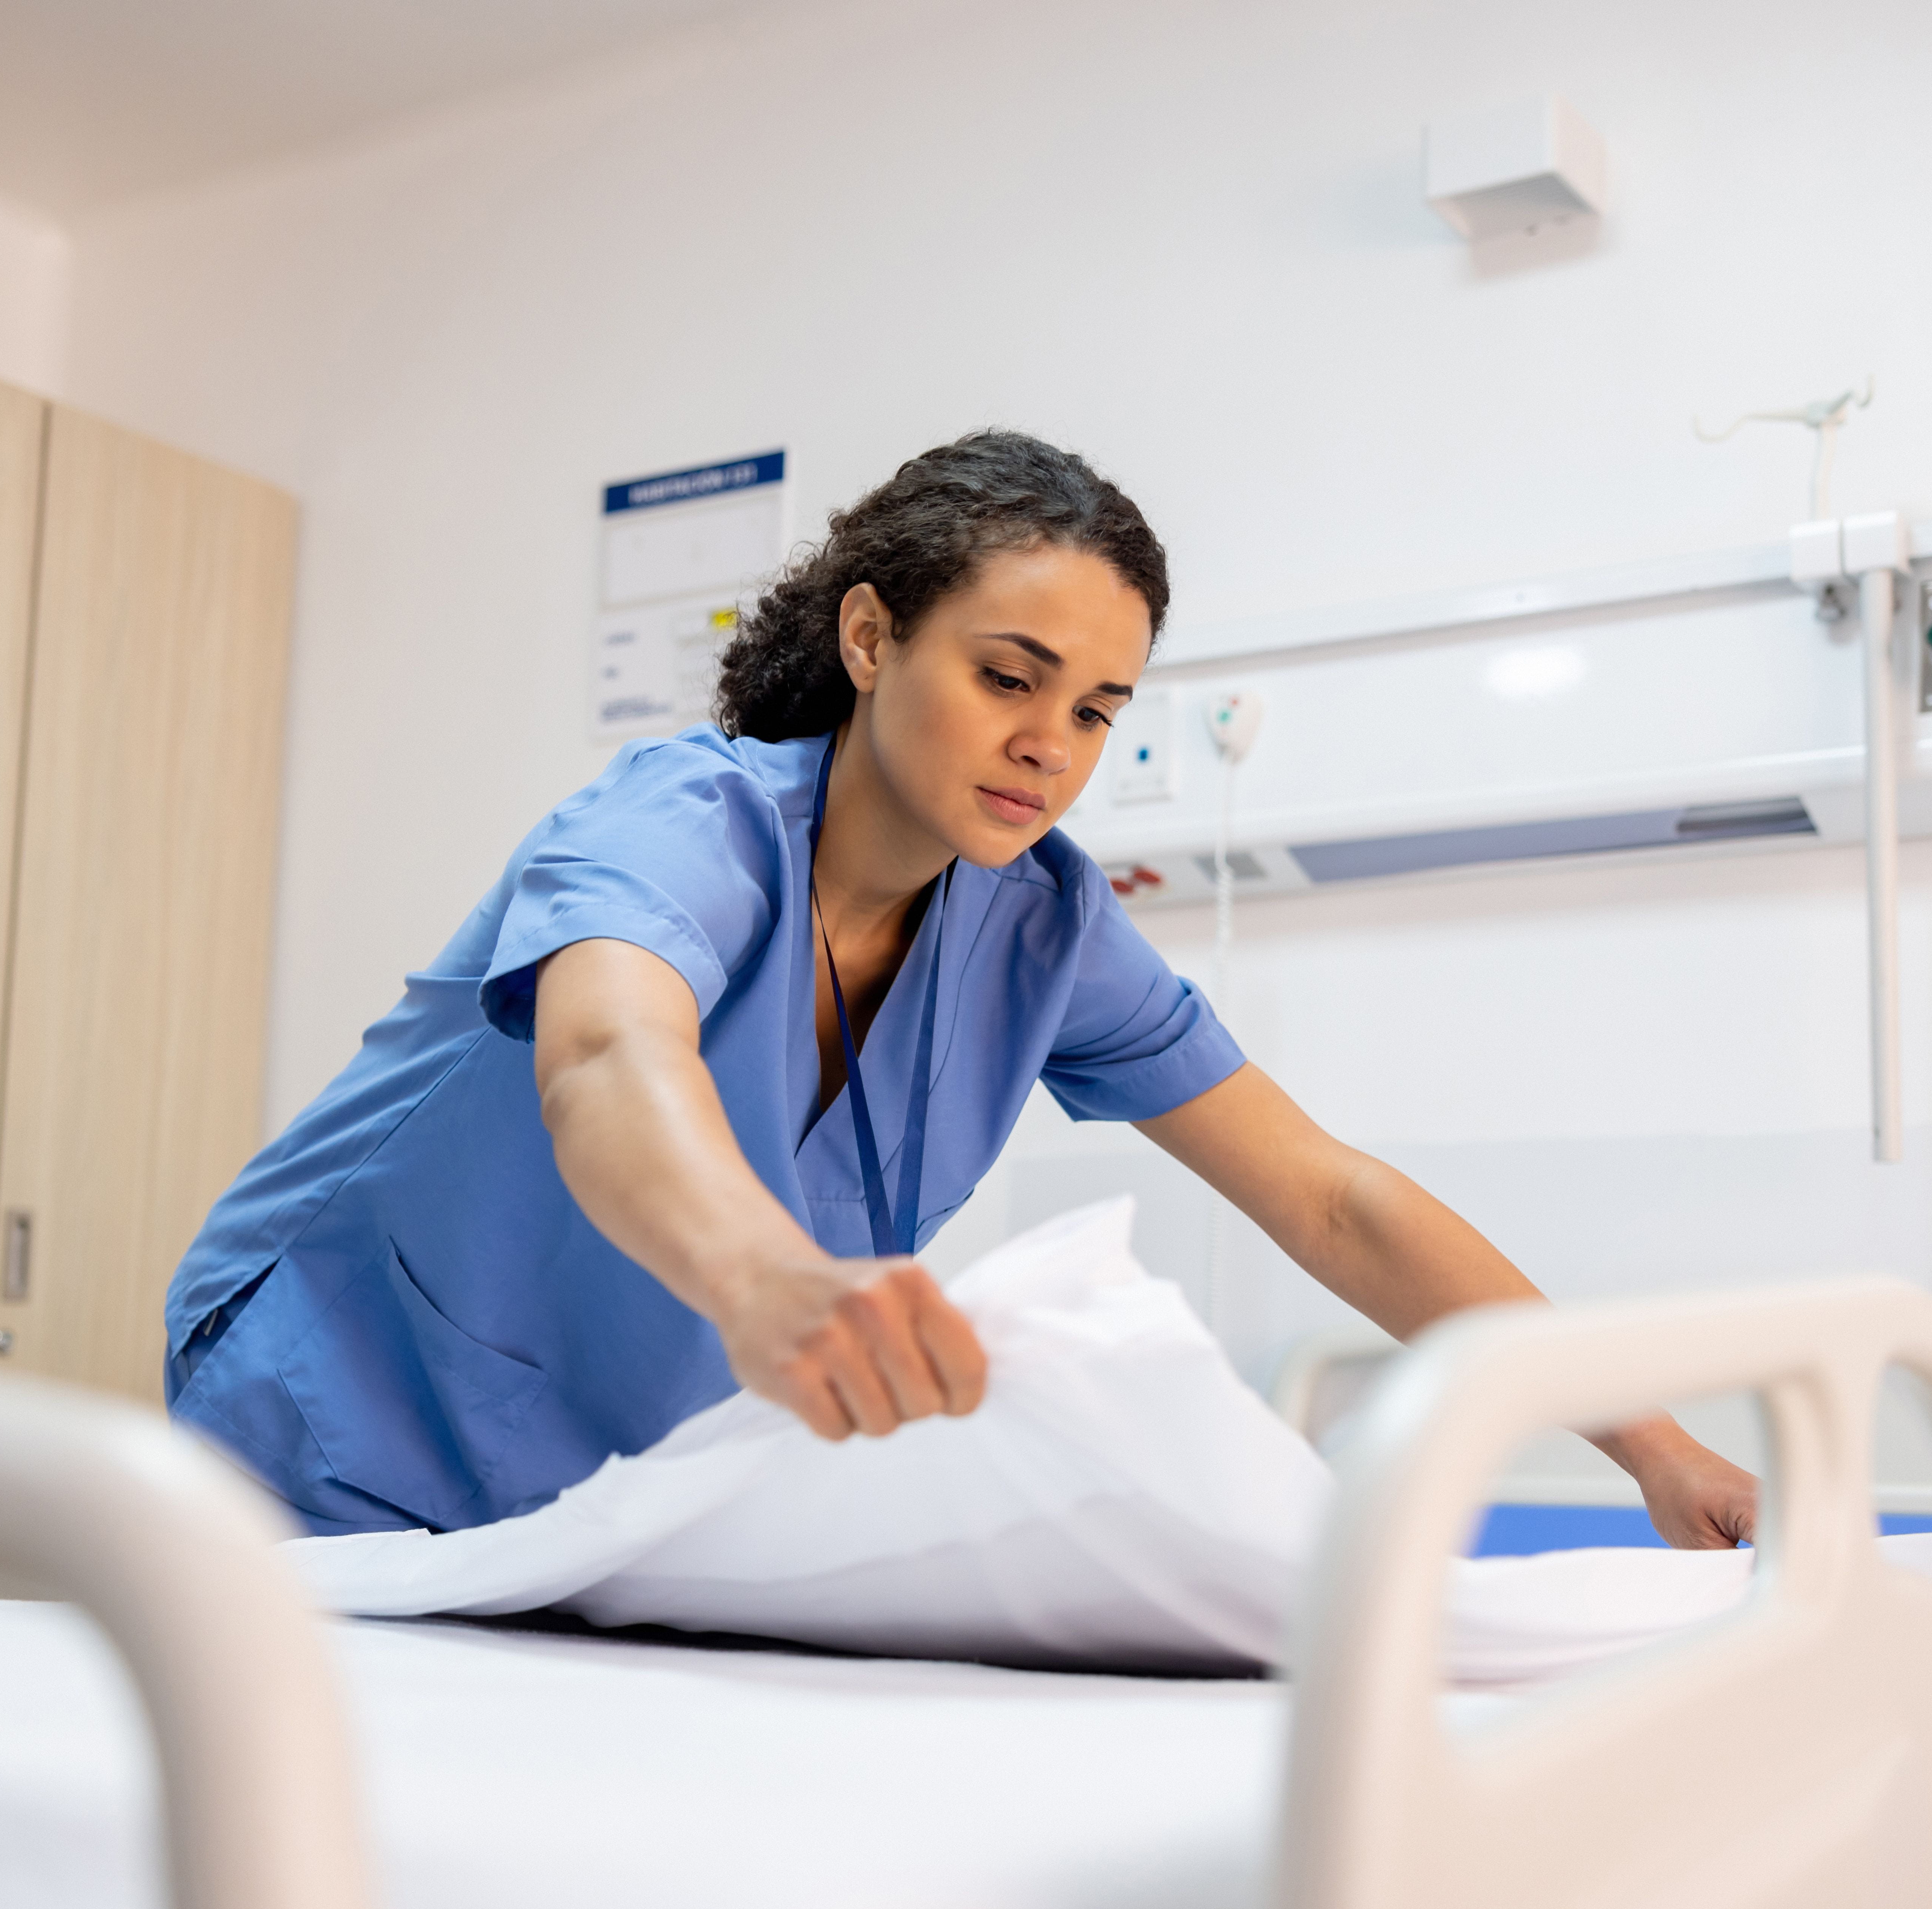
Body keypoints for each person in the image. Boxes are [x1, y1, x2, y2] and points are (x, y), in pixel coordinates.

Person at [165, 430, 1759, 1548]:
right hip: (333, 1421)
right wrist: (770, 1278)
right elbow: (601, 1053)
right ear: (872, 638)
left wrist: (1645, 1435)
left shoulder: (1041, 930)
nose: (1048, 746)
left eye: (1094, 710)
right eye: (1007, 677)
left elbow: (1329, 1199)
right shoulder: (687, 821)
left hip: (595, 1489)